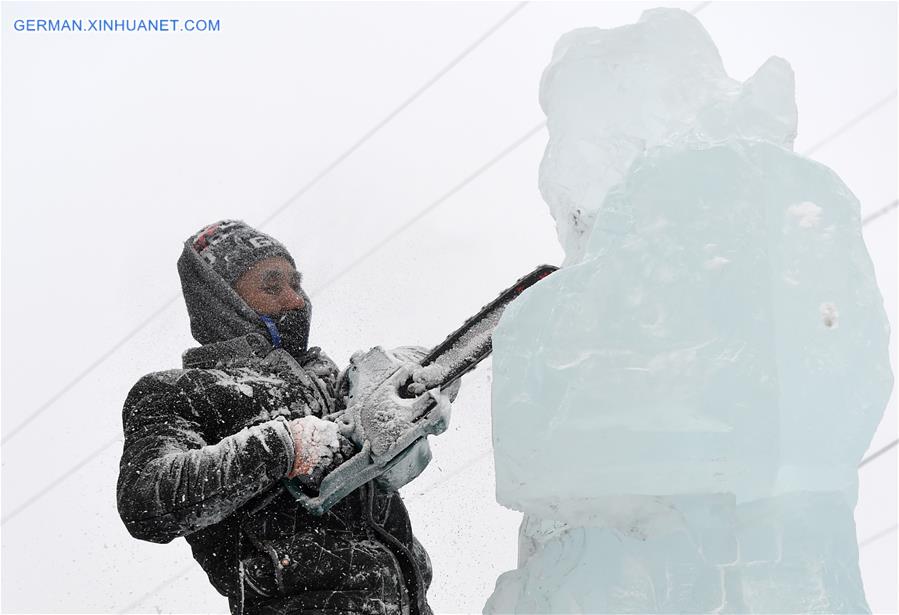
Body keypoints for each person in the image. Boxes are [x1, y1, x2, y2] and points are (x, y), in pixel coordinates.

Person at [117, 220, 452, 615]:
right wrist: (283, 446)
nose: (295, 300)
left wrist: (409, 390)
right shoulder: (185, 393)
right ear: (222, 300)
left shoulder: (332, 383)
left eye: (296, 284)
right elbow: (146, 499)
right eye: (272, 287)